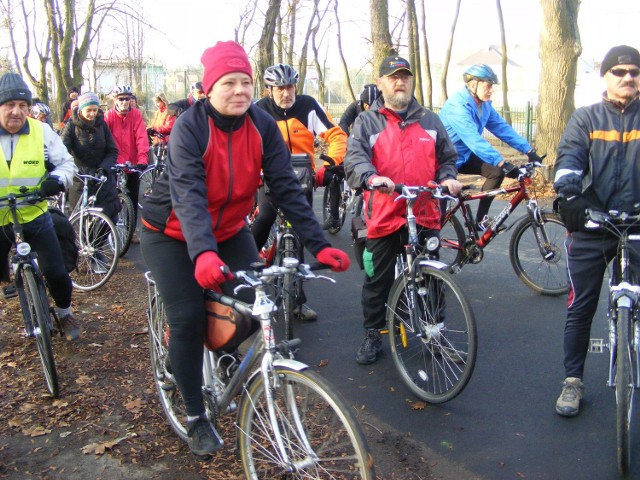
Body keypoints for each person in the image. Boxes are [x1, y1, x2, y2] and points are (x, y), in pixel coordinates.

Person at [139, 40, 350, 458]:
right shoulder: (190, 127)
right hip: (171, 230)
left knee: (255, 307)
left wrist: (319, 243)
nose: (240, 90)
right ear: (209, 87)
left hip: (229, 228)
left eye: (246, 82)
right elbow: (188, 195)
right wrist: (202, 253)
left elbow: (286, 188)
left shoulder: (262, 125)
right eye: (229, 82)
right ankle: (197, 415)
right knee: (187, 319)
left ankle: (217, 355)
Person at [344, 55, 462, 365]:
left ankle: (436, 333)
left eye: (405, 77)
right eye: (394, 77)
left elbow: (447, 158)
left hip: (423, 212)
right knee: (377, 280)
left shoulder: (430, 120)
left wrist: (448, 178)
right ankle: (372, 333)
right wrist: (371, 177)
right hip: (384, 213)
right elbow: (355, 160)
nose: (400, 82)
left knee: (431, 278)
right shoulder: (367, 121)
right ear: (381, 82)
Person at [553, 45, 640, 417]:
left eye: (634, 71)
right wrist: (569, 196)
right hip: (594, 221)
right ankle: (572, 381)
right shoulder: (586, 118)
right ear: (604, 76)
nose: (628, 77)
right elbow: (570, 159)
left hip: (636, 221)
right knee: (580, 306)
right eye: (619, 71)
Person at [252, 63, 348, 320]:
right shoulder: (258, 111)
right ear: (269, 90)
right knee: (264, 219)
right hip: (269, 179)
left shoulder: (307, 106)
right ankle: (247, 273)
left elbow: (337, 136)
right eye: (280, 88)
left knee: (301, 234)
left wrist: (329, 163)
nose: (286, 93)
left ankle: (297, 301)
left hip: (303, 179)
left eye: (290, 87)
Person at [0, 72, 80, 339]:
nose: (16, 111)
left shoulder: (41, 130)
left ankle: (65, 314)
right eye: (9, 105)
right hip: (0, 219)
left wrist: (56, 180)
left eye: (22, 106)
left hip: (34, 213)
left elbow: (67, 164)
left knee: (56, 273)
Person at [439, 64, 542, 229]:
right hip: (443, 161)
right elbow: (472, 139)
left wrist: (528, 150)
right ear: (473, 85)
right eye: (488, 85)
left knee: (495, 172)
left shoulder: (484, 105)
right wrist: (501, 161)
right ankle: (427, 246)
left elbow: (501, 128)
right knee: (438, 216)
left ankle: (480, 221)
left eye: (492, 86)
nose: (491, 90)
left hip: (463, 156)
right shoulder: (456, 106)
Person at [60, 91, 120, 273]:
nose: (92, 114)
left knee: (111, 213)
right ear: (81, 109)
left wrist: (104, 167)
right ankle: (88, 253)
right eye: (89, 110)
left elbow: (112, 150)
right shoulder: (71, 127)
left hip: (101, 176)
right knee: (83, 218)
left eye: (95, 110)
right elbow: (62, 151)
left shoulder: (103, 126)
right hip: (80, 178)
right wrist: (72, 169)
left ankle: (97, 246)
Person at [104, 84, 149, 244]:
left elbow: (141, 137)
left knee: (132, 198)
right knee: (110, 198)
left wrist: (142, 159)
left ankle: (132, 229)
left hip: (132, 163)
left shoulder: (135, 115)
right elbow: (105, 139)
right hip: (114, 163)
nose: (124, 102)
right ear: (115, 100)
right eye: (121, 99)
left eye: (127, 99)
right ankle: (109, 228)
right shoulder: (108, 117)